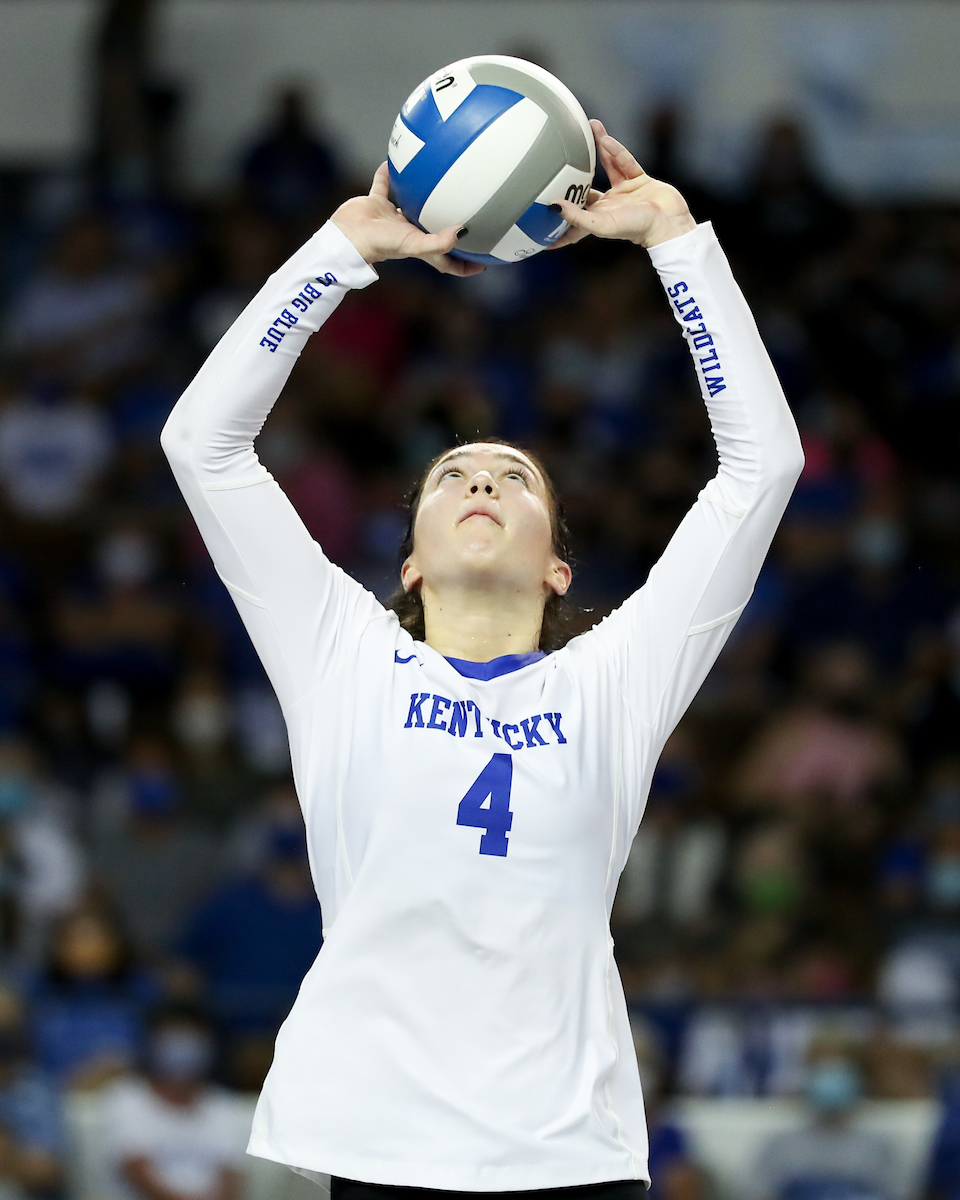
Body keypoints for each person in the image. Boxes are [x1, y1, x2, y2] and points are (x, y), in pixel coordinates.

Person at [160, 118, 803, 1195]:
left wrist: (677, 243)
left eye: (514, 479)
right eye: (453, 477)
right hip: (373, 1143)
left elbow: (762, 467)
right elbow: (202, 446)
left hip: (564, 1154)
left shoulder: (613, 679)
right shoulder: (341, 656)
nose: (482, 487)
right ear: (405, 562)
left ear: (560, 569)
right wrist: (337, 255)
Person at [100, 1005, 246, 1200]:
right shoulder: (127, 1098)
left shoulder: (224, 1105)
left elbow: (231, 1178)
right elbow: (137, 1173)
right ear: (152, 1044)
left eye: (191, 1038)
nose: (182, 1047)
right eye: (173, 1038)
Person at [751, 1042, 894, 1200]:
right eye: (823, 1069)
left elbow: (894, 1192)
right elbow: (758, 1193)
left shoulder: (877, 1148)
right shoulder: (780, 1147)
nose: (831, 1077)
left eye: (839, 1069)